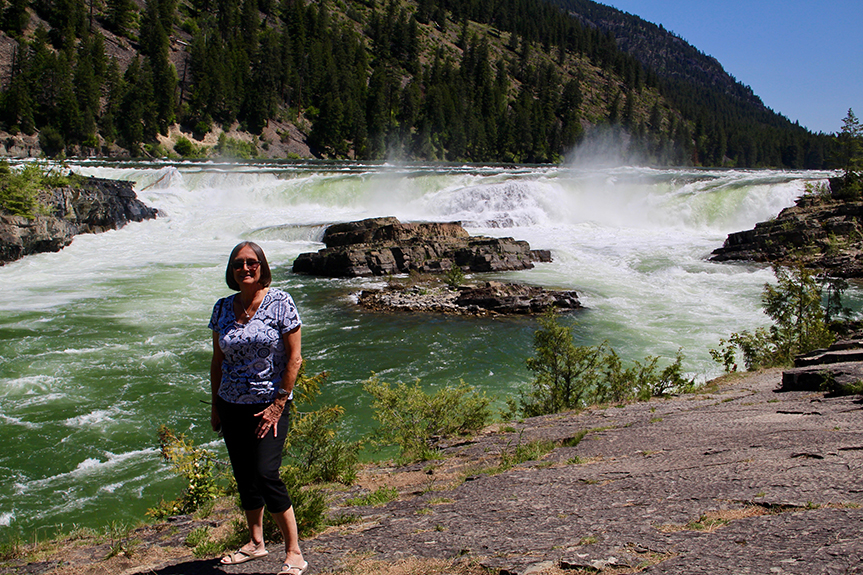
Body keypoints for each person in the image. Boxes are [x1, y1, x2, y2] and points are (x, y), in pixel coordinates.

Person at [209, 241, 308, 575]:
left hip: (269, 403)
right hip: (231, 403)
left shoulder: (280, 302)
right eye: (238, 264)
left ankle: (294, 551)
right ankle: (255, 543)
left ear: (262, 266)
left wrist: (280, 403)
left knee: (267, 474)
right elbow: (217, 360)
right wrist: (215, 406)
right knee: (245, 475)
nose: (245, 268)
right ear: (231, 270)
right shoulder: (222, 308)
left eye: (252, 262)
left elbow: (294, 358)